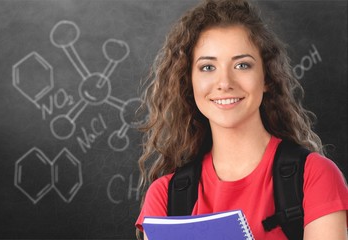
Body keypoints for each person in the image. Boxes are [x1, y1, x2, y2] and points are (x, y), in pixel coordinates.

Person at [135, 0, 348, 239]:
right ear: (189, 82)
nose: (225, 82)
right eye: (207, 67)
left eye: (242, 65)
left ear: (267, 77)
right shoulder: (165, 196)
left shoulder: (315, 175)